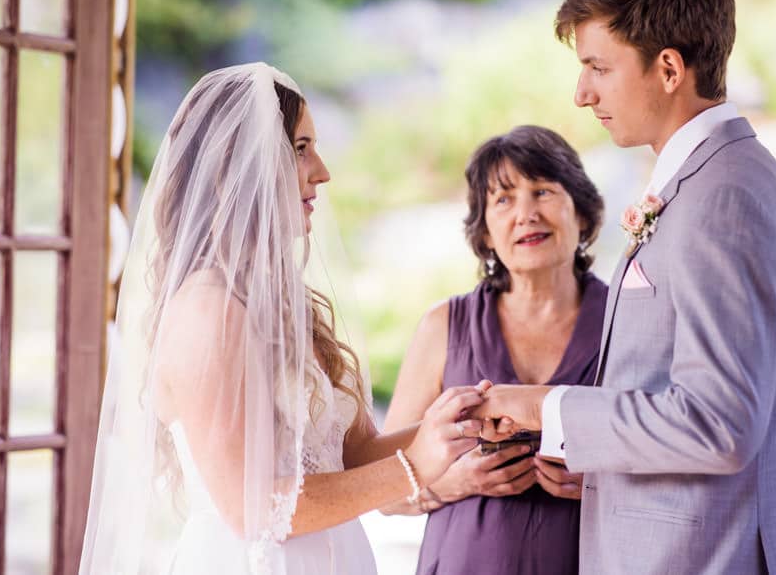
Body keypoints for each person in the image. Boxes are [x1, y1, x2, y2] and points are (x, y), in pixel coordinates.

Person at [471, 0, 776, 574]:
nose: (582, 94)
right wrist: (596, 462)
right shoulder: (706, 179)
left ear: (668, 69)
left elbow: (718, 423)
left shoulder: (725, 195)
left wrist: (544, 406)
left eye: (599, 68)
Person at [78, 63, 485, 575]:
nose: (322, 170)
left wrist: (456, 425)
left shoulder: (289, 303)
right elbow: (249, 507)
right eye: (300, 148)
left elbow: (352, 453)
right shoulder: (207, 309)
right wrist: (415, 468)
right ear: (238, 167)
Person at [382, 125, 608, 575]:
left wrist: (605, 484)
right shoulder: (443, 326)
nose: (525, 214)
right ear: (484, 232)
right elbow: (384, 490)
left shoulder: (628, 321)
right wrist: (453, 482)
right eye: (503, 199)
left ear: (581, 214)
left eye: (542, 191)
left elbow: (675, 455)